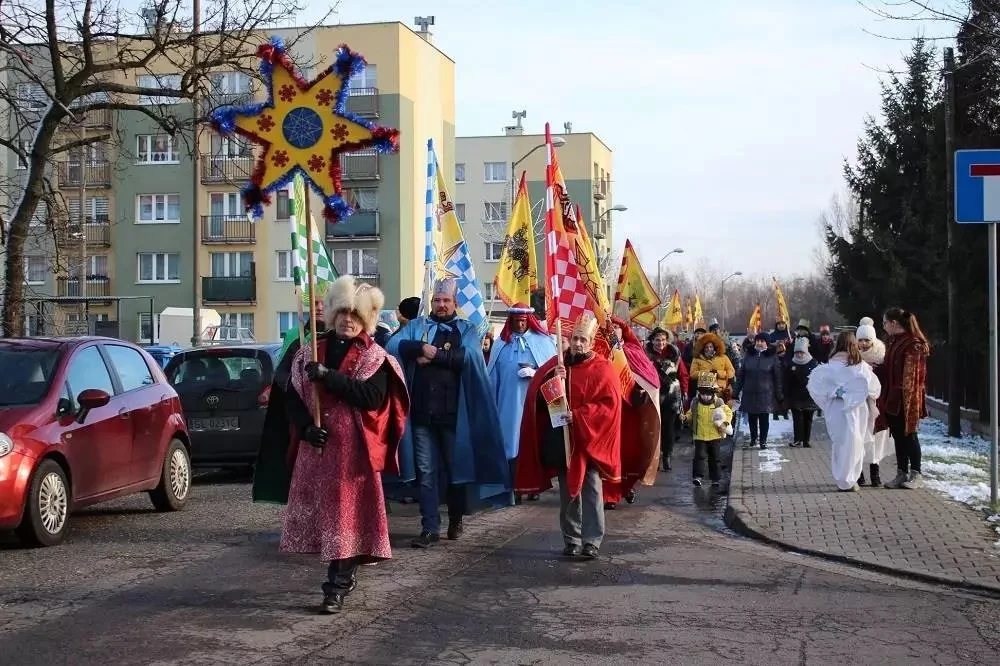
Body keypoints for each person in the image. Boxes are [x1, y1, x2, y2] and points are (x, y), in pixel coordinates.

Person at [252, 276, 409, 613]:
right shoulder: (309, 351)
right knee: (324, 517)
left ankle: (335, 587)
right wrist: (307, 428)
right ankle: (341, 575)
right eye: (342, 313)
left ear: (366, 319)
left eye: (354, 315)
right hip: (318, 448)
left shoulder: (375, 357)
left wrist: (329, 377)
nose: (347, 320)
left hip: (352, 450)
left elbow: (371, 397)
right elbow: (292, 397)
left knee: (346, 517)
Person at [386, 278, 509, 548]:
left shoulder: (466, 329)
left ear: (455, 303)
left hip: (455, 416)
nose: (441, 305)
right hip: (421, 416)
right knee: (426, 472)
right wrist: (419, 347)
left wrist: (435, 356)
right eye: (437, 301)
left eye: (446, 301)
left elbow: (471, 357)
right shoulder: (418, 327)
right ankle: (429, 527)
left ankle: (455, 517)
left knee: (456, 470)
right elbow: (393, 347)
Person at [514, 311, 623, 559]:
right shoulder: (557, 364)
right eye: (574, 339)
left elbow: (609, 406)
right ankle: (572, 538)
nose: (577, 344)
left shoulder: (603, 368)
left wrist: (580, 415)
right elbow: (539, 401)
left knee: (592, 490)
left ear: (591, 342)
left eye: (583, 340)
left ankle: (592, 541)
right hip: (564, 441)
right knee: (568, 493)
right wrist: (553, 380)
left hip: (589, 441)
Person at [486, 303, 557, 503]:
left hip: (534, 404)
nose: (519, 325)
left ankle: (534, 485)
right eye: (516, 321)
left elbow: (552, 374)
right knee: (511, 445)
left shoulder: (542, 342)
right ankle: (513, 487)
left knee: (533, 442)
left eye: (523, 321)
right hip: (508, 405)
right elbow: (492, 376)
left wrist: (535, 374)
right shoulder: (501, 344)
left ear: (529, 322)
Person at [807, 331, 881, 492]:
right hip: (856, 408)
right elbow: (874, 389)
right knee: (854, 443)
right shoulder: (860, 367)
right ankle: (849, 479)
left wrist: (830, 399)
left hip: (836, 409)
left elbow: (816, 387)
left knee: (840, 443)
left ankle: (843, 478)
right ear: (853, 344)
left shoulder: (829, 367)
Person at [603, 317, 660, 509]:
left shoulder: (633, 351)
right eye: (610, 328)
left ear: (623, 331)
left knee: (628, 454)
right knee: (607, 453)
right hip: (606, 412)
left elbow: (650, 379)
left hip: (630, 413)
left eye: (617, 328)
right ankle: (609, 494)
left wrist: (640, 391)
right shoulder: (599, 351)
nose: (613, 331)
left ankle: (625, 487)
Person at [876, 307, 929, 490]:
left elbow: (911, 377)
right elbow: (888, 369)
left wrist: (905, 399)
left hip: (907, 399)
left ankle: (916, 473)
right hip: (892, 398)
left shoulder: (913, 344)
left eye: (884, 323)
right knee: (898, 436)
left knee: (909, 435)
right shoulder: (893, 342)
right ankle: (901, 472)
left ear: (893, 323)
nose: (883, 327)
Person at [855, 317, 892, 487]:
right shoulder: (852, 359)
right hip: (858, 405)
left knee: (876, 438)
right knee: (859, 438)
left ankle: (875, 471)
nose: (863, 344)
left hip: (878, 405)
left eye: (866, 340)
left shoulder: (882, 359)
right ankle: (858, 473)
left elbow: (887, 381)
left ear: (873, 340)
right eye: (860, 340)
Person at [645, 327, 687, 470]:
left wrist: (685, 391)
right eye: (657, 340)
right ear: (652, 340)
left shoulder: (674, 354)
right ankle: (655, 456)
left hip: (671, 397)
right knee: (654, 428)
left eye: (663, 340)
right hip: (653, 396)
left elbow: (683, 374)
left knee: (669, 428)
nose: (660, 343)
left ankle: (667, 455)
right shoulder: (646, 355)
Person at [683, 372, 733, 487]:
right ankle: (698, 476)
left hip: (714, 435)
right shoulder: (695, 402)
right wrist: (686, 417)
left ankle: (715, 478)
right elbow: (691, 413)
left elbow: (728, 412)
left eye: (708, 394)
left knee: (715, 457)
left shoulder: (718, 402)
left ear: (713, 393)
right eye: (703, 393)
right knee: (699, 456)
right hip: (700, 435)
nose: (705, 396)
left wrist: (725, 423)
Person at [734, 333, 783, 450]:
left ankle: (763, 441)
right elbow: (741, 375)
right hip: (749, 392)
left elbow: (777, 377)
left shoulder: (772, 357)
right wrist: (735, 391)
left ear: (767, 343)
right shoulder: (748, 355)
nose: (759, 343)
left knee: (764, 418)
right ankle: (753, 438)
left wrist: (779, 393)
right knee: (752, 417)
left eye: (762, 341)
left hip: (765, 393)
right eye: (758, 341)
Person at [785, 337, 819, 448]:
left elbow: (812, 379)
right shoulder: (791, 363)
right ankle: (797, 439)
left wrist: (797, 372)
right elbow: (787, 380)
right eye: (797, 352)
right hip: (795, 396)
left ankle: (806, 440)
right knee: (797, 419)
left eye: (801, 352)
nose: (799, 355)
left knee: (808, 418)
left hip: (809, 395)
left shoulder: (812, 362)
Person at [688, 331, 737, 401]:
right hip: (704, 393)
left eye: (711, 347)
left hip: (721, 392)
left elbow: (731, 372)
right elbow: (692, 374)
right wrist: (708, 373)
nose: (709, 349)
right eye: (706, 347)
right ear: (702, 348)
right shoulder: (697, 359)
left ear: (715, 347)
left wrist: (718, 373)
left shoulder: (723, 357)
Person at [277, 296, 327, 364]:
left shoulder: (337, 334)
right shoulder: (294, 333)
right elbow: (282, 370)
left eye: (325, 304)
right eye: (315, 303)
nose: (319, 308)